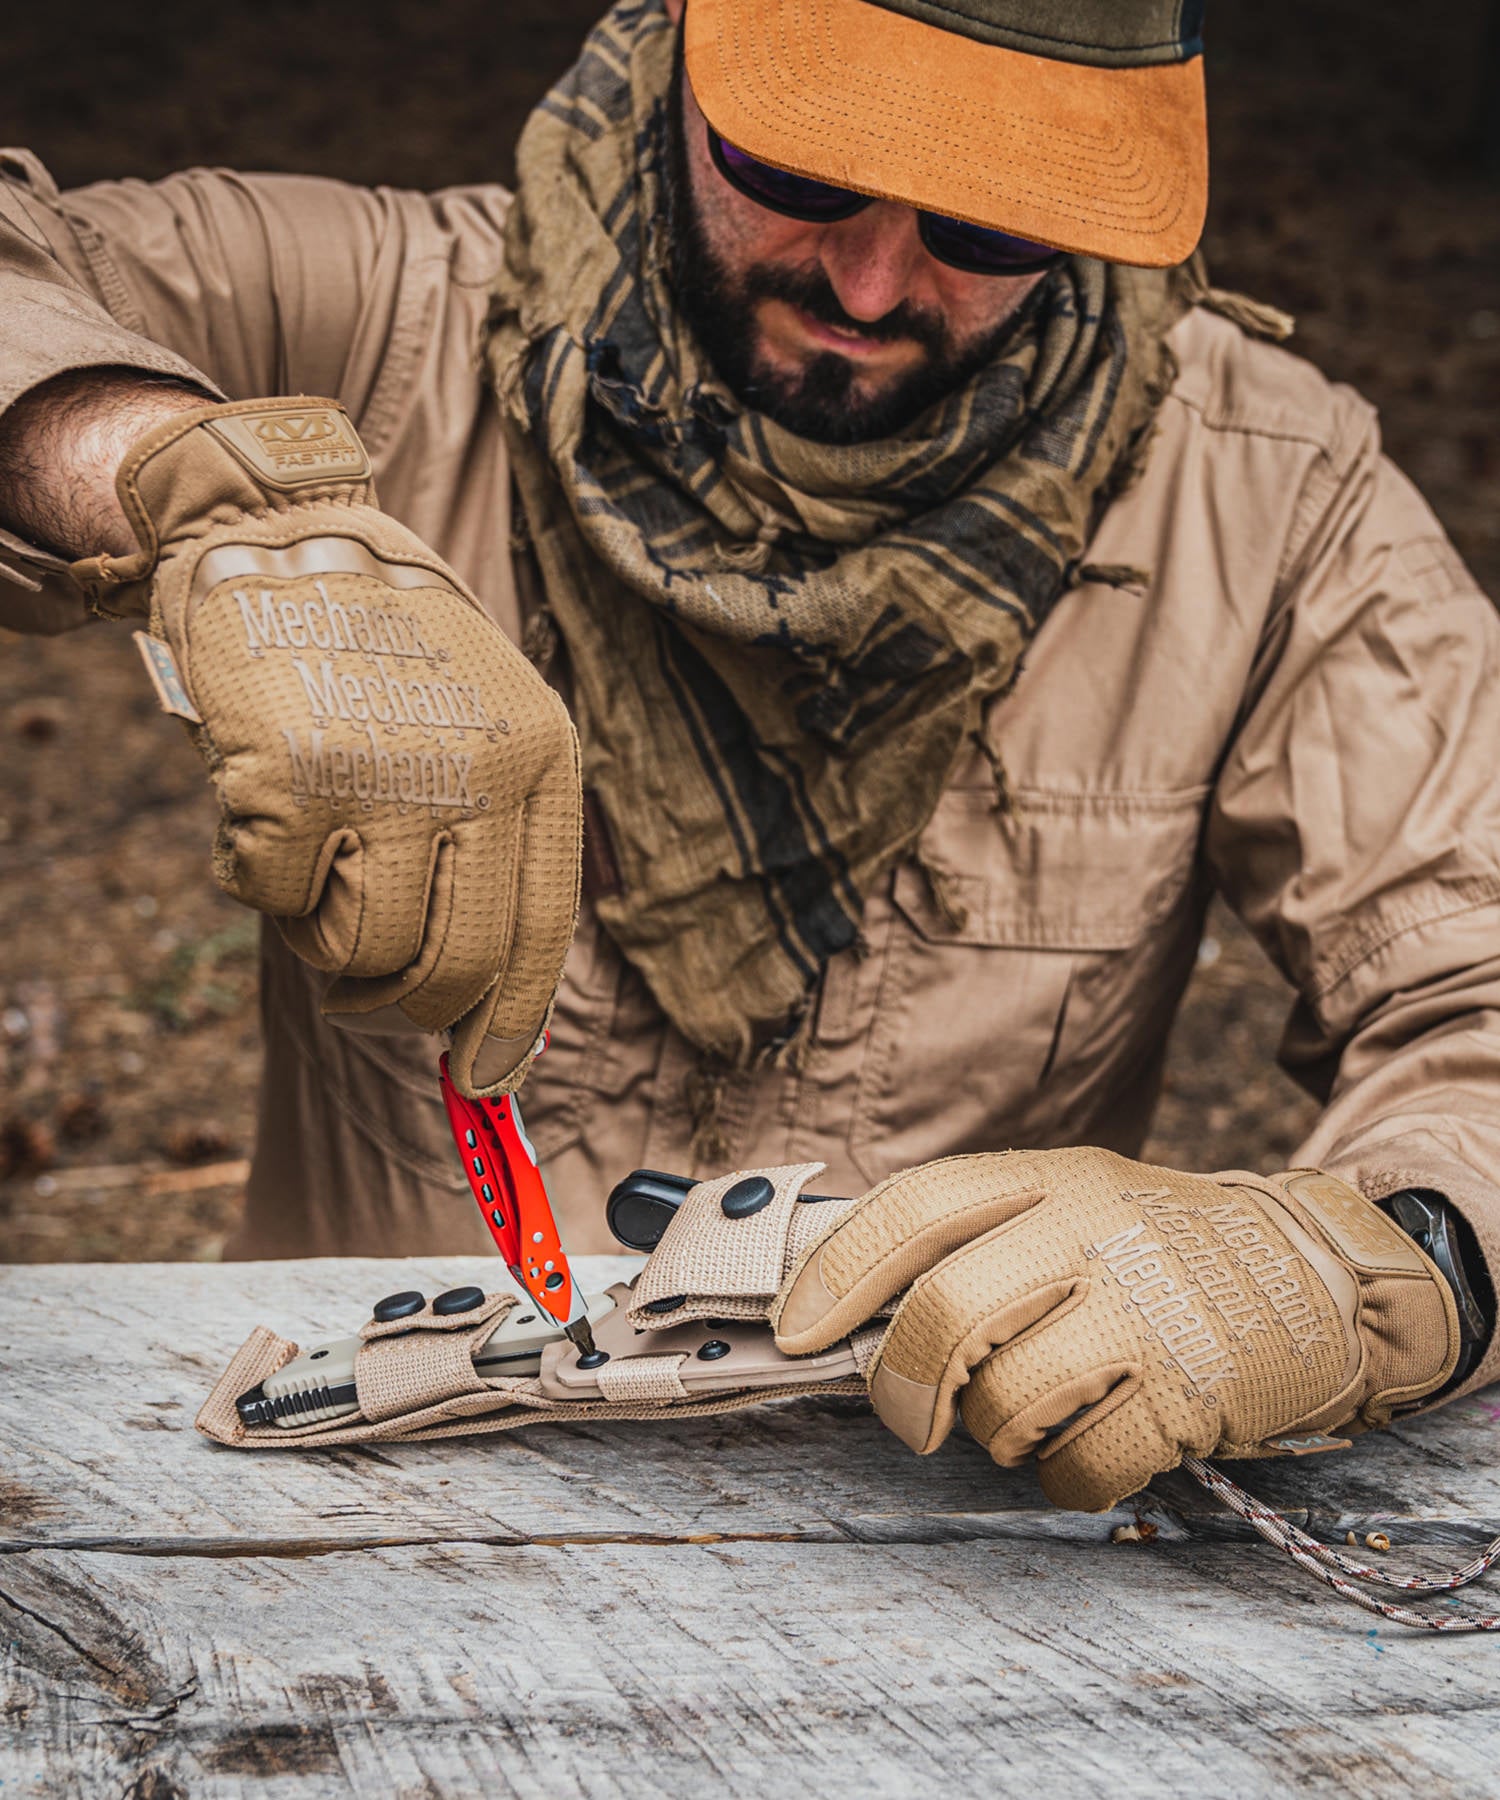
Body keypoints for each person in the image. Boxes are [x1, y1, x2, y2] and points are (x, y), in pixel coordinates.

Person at [2, 0, 1498, 1509]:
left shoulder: (1278, 500)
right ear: (686, 56)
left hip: (929, 1548)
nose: (868, 280)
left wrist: (1382, 1259)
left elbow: (1478, 999)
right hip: (348, 1486)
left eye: (989, 225)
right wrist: (213, 500)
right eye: (801, 167)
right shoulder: (368, 323)